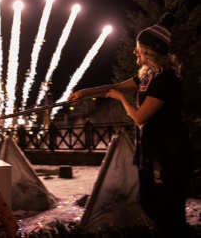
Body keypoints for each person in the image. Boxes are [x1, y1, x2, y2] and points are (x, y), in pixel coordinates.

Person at [69, 13, 194, 237]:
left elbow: (139, 117)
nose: (135, 51)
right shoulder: (147, 76)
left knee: (169, 212)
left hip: (168, 155)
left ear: (150, 50)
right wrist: (85, 92)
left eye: (139, 47)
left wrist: (120, 98)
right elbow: (113, 85)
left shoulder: (166, 79)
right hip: (151, 152)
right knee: (147, 200)